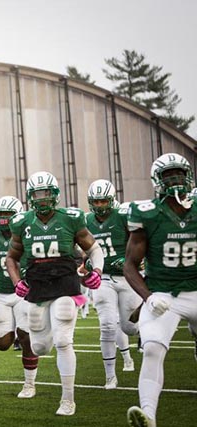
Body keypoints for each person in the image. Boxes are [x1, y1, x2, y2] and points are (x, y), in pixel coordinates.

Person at [5, 171, 104, 416]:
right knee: (39, 347)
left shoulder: (70, 218)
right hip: (37, 285)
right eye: (38, 194)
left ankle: (67, 399)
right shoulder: (22, 222)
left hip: (65, 282)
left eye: (46, 193)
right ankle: (42, 354)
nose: (42, 198)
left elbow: (94, 249)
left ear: (55, 194)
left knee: (63, 340)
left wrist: (97, 271)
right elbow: (11, 258)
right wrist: (17, 281)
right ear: (30, 196)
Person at [124, 153, 197, 427]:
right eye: (169, 176)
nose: (175, 180)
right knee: (153, 349)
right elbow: (130, 265)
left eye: (179, 174)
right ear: (158, 181)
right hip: (163, 293)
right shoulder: (148, 214)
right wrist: (148, 296)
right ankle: (148, 415)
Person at [0, 195, 39, 399]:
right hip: (1, 293)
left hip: (24, 292)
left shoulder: (27, 231)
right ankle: (15, 329)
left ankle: (29, 384)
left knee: (26, 337)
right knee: (3, 343)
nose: (3, 218)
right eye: (0, 214)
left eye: (8, 214)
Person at [85, 180, 140, 389]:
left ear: (112, 199)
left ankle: (143, 334)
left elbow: (139, 241)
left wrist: (132, 260)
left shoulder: (124, 214)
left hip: (127, 276)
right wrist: (87, 262)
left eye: (103, 200)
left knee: (130, 327)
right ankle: (110, 376)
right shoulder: (87, 220)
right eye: (95, 201)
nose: (99, 205)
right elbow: (85, 248)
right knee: (107, 324)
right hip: (103, 277)